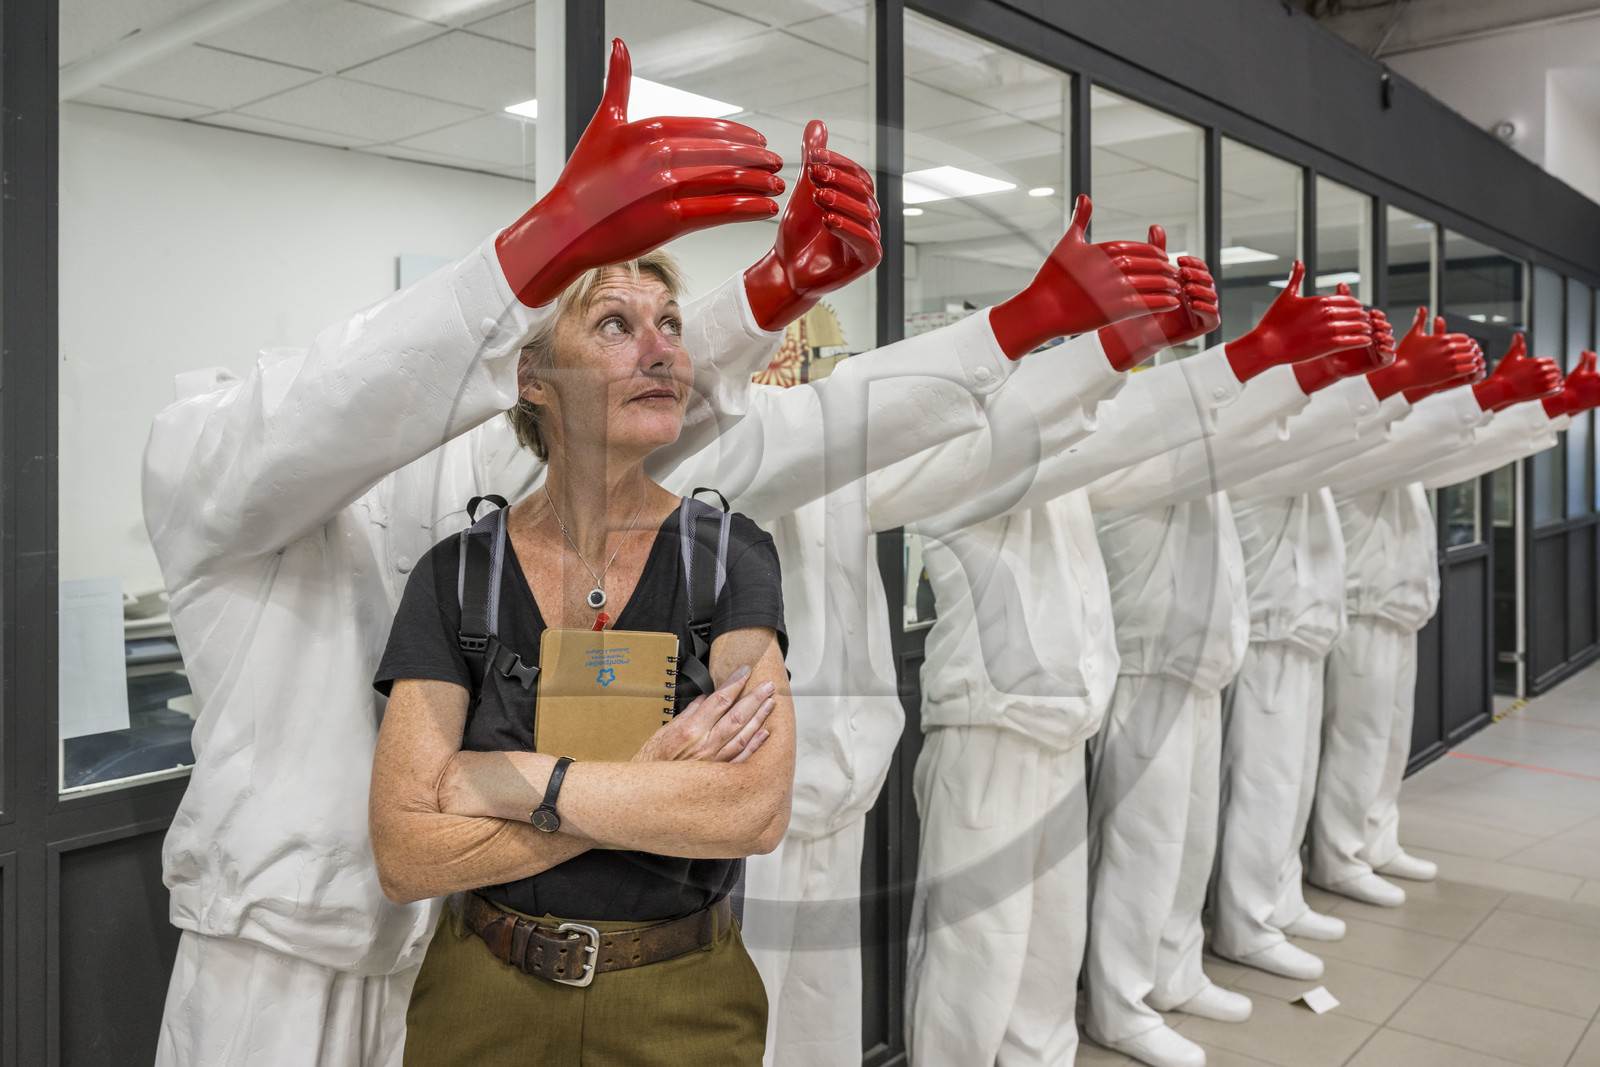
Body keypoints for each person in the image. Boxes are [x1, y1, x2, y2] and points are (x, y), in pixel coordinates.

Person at [143, 39, 875, 1066]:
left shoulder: (434, 492)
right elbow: (327, 412)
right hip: (271, 957)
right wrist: (631, 791)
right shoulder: (211, 467)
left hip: (443, 935)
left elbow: (611, 404)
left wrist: (764, 297)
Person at [369, 247, 793, 1063]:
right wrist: (658, 777)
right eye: (614, 324)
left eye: (669, 323)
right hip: (483, 995)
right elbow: (405, 854)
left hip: (684, 1001)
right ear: (533, 376)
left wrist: (524, 782)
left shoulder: (727, 558)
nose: (661, 348)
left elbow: (754, 810)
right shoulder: (457, 577)